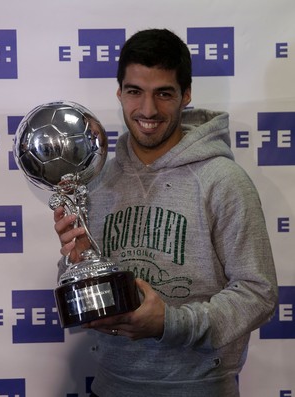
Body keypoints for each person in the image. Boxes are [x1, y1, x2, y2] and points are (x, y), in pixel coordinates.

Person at [54, 28, 278, 397]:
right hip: (111, 386)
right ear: (119, 93)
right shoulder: (97, 181)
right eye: (134, 92)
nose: (147, 110)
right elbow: (86, 289)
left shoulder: (222, 180)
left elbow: (259, 293)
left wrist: (170, 324)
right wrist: (75, 266)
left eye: (164, 93)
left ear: (186, 95)